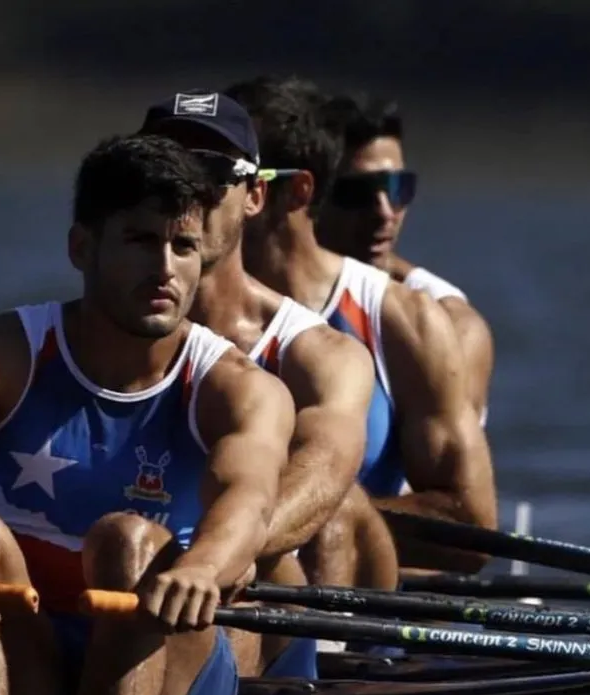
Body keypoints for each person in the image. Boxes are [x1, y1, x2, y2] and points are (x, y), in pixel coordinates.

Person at [0, 134, 296, 695]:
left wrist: (204, 568)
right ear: (82, 248)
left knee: (128, 541)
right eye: (138, 240)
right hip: (30, 663)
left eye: (183, 246)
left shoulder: (239, 388)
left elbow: (251, 500)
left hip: (168, 685)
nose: (165, 268)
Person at [224, 76, 497, 579]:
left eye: (221, 178)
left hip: (349, 589)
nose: (383, 213)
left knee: (336, 512)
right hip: (231, 573)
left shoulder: (415, 320)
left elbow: (471, 526)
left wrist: (310, 511)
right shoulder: (180, 300)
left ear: (299, 190)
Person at [138, 91, 396, 595]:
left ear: (255, 196)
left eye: (210, 173)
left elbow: (325, 468)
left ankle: (325, 666)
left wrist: (213, 556)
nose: (184, 193)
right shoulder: (68, 336)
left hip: (252, 587)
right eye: (162, 172)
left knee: (343, 504)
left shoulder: (321, 355)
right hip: (126, 563)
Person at [317, 92, 493, 425]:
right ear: (307, 194)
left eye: (398, 187)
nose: (385, 213)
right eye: (359, 193)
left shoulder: (451, 323)